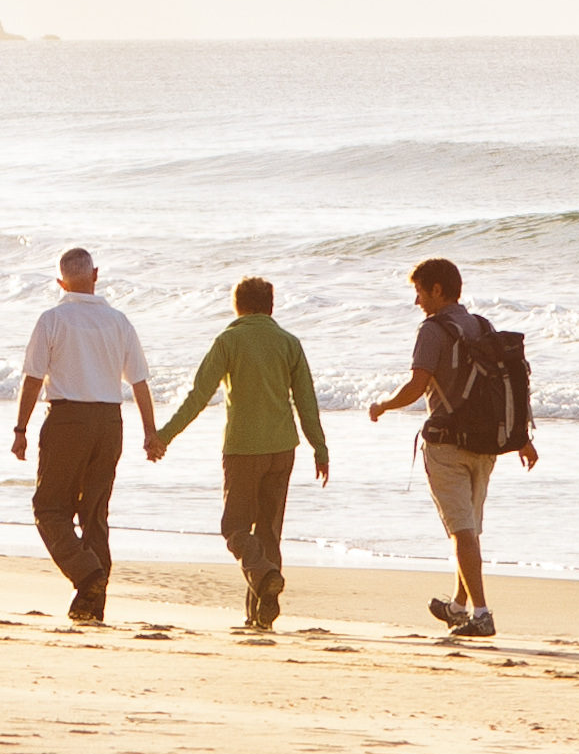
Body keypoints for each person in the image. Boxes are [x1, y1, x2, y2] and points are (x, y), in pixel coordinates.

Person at [145, 273, 329, 633]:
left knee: (234, 527)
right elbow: (307, 401)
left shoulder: (228, 341)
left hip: (244, 449)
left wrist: (164, 435)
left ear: (237, 306)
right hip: (283, 449)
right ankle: (260, 614)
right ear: (271, 307)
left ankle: (263, 579)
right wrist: (319, 447)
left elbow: (198, 396)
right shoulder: (289, 342)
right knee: (268, 533)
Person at [365, 254, 533, 639]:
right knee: (468, 530)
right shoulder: (480, 325)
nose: (417, 301)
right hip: (486, 444)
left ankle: (482, 613)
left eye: (419, 292)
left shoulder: (432, 330)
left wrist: (384, 406)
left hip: (447, 444)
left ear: (437, 290)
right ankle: (458, 607)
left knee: (461, 532)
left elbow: (416, 385)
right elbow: (511, 385)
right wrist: (522, 438)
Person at [7, 247, 155, 625]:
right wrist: (150, 432)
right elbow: (139, 381)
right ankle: (92, 603)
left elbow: (33, 378)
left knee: (50, 508)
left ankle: (86, 575)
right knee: (94, 514)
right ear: (96, 275)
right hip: (110, 423)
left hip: (68, 420)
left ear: (60, 282)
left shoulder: (52, 319)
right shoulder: (119, 321)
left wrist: (21, 429)